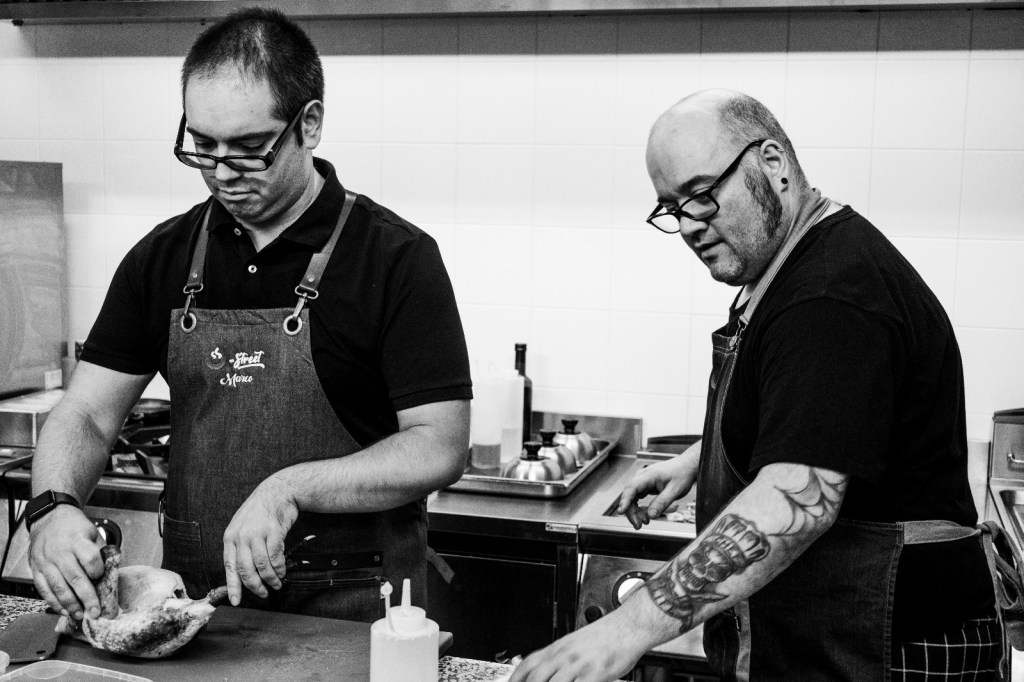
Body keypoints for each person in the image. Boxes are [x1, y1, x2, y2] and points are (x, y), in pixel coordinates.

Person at [511, 89, 1003, 682]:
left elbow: (797, 497)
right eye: (672, 207)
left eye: (701, 195)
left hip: (892, 651)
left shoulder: (829, 297)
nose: (690, 224)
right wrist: (704, 457)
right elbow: (820, 413)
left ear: (772, 164)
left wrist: (626, 628)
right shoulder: (799, 262)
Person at [27, 7, 471, 624]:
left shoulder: (396, 257)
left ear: (308, 124)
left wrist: (291, 488)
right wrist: (52, 506)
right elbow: (87, 413)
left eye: (249, 148)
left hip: (355, 611)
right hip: (196, 614)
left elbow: (440, 445)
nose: (222, 172)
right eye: (203, 147)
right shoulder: (162, 257)